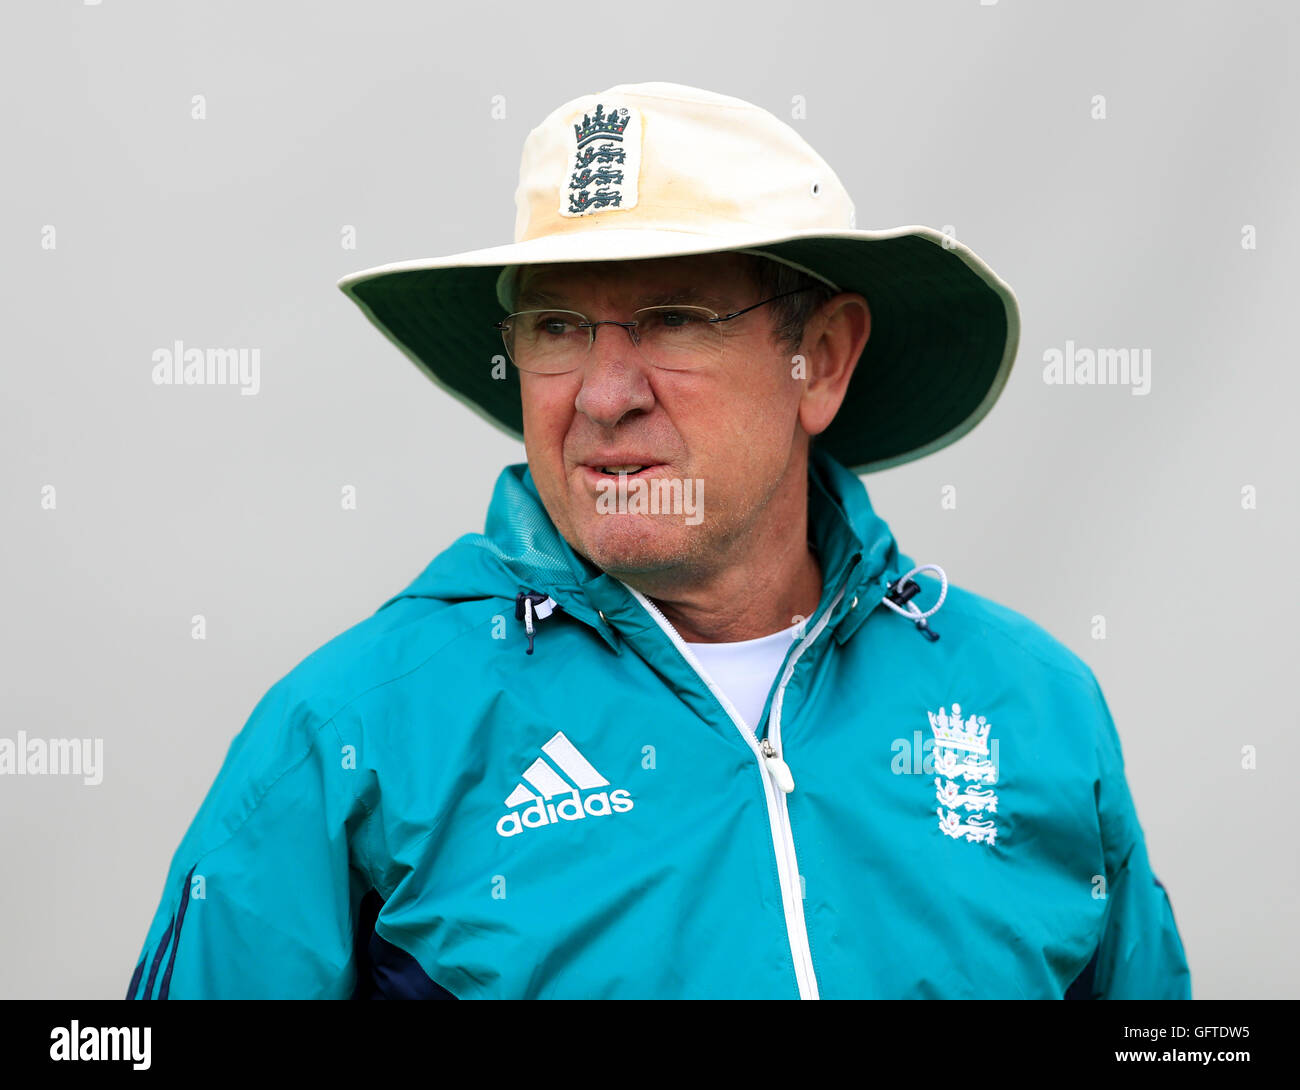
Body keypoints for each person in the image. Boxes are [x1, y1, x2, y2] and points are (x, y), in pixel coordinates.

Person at [127, 82, 1190, 999]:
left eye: (675, 318)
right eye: (556, 328)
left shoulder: (1033, 707)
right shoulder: (356, 731)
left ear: (817, 359)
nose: (603, 393)